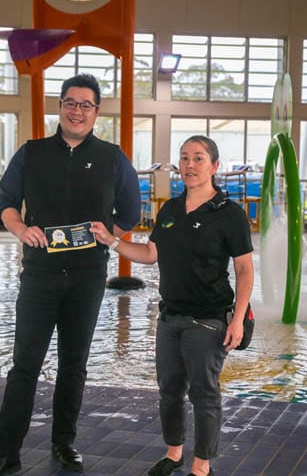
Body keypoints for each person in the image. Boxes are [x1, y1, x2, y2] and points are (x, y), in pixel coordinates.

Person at [0, 73, 141, 476]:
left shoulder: (113, 157)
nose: (77, 111)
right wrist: (21, 229)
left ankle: (64, 443)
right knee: (24, 366)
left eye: (86, 105)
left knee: (73, 365)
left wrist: (108, 237)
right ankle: (5, 455)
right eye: (70, 102)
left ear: (96, 112)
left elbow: (131, 210)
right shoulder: (32, 153)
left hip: (87, 276)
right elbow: (6, 202)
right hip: (40, 275)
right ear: (60, 106)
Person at [91, 135, 254, 476]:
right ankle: (174, 454)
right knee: (169, 392)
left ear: (214, 166)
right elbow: (151, 254)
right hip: (169, 319)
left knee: (204, 395)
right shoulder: (170, 209)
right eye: (184, 158)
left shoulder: (229, 214)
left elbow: (244, 269)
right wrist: (112, 241)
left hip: (208, 321)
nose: (190, 165)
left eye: (198, 158)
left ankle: (201, 467)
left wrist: (238, 319)